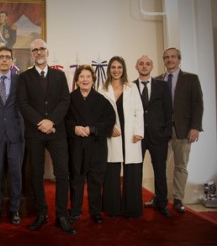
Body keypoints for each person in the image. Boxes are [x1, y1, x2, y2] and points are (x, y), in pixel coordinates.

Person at [17, 39, 76, 234]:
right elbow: (23, 103)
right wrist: (41, 123)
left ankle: (61, 216)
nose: (38, 52)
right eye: (35, 50)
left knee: (62, 173)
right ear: (31, 54)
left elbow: (64, 101)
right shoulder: (24, 77)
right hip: (35, 133)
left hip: (56, 132)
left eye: (41, 48)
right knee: (36, 174)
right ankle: (41, 214)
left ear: (47, 52)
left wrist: (51, 122)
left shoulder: (59, 76)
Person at [148, 47, 203, 213]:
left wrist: (195, 127)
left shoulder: (191, 79)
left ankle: (178, 198)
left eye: (173, 57)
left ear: (179, 59)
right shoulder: (157, 80)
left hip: (184, 130)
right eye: (166, 57)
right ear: (163, 60)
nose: (169, 60)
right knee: (159, 165)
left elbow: (197, 104)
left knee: (180, 166)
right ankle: (159, 196)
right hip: (161, 131)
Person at [65, 65, 115, 224]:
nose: (85, 79)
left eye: (88, 77)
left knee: (95, 180)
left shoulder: (102, 101)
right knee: (76, 180)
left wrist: (92, 129)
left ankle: (95, 211)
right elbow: (62, 120)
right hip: (76, 146)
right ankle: (75, 211)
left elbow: (109, 122)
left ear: (93, 80)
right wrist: (74, 128)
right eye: (81, 77)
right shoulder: (69, 99)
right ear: (77, 80)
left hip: (96, 147)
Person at [98, 56, 144, 219]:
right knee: (112, 170)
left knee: (132, 171)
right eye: (113, 67)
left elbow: (138, 111)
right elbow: (99, 114)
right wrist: (108, 129)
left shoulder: (132, 87)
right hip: (113, 134)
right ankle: (112, 208)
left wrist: (138, 131)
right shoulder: (103, 89)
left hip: (131, 134)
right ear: (109, 70)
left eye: (119, 67)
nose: (116, 70)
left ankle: (131, 209)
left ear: (123, 69)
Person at [0, 46, 24, 226]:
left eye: (7, 57)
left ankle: (14, 210)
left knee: (16, 174)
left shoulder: (19, 81)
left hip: (15, 134)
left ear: (12, 61)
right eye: (0, 57)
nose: (3, 60)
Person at [134, 55, 172, 217]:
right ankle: (134, 204)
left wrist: (166, 133)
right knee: (136, 171)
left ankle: (162, 203)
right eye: (141, 64)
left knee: (160, 171)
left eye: (147, 64)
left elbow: (168, 111)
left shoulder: (162, 86)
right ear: (136, 66)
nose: (144, 66)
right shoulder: (130, 86)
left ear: (152, 66)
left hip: (158, 137)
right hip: (137, 138)